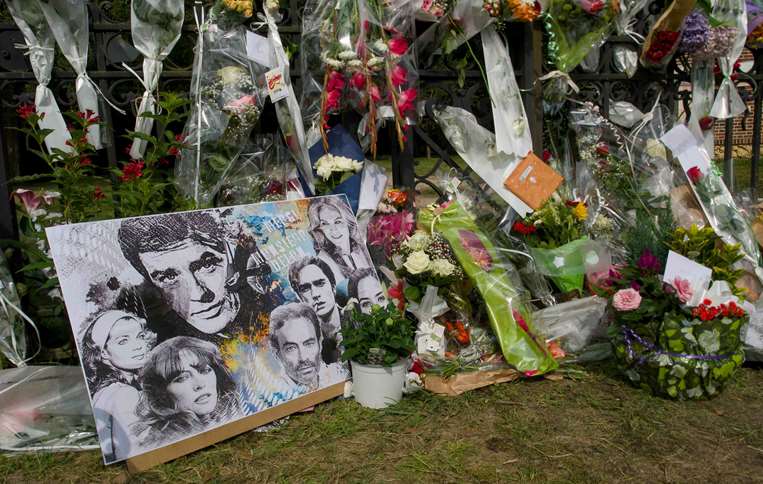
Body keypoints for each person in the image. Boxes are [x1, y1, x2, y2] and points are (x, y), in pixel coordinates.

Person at [118, 211, 278, 343]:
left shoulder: (276, 303)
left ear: (229, 255)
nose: (198, 294)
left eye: (206, 265)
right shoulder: (160, 346)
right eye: (168, 277)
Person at [132, 336, 241, 448]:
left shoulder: (240, 408)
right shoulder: (157, 443)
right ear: (162, 393)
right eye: (182, 378)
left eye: (205, 370)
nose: (200, 384)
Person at [80, 310, 156, 463]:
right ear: (103, 353)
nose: (139, 346)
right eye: (123, 341)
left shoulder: (108, 390)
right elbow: (136, 453)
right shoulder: (124, 394)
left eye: (140, 336)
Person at [268, 303, 347, 390]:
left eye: (309, 344)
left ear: (320, 343)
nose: (303, 358)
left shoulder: (339, 376)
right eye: (291, 348)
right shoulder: (274, 393)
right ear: (277, 355)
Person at [307, 197, 372, 292]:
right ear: (319, 228)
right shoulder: (323, 261)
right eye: (325, 224)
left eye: (338, 222)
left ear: (348, 222)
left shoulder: (362, 246)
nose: (333, 229)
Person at [288, 256, 343, 363]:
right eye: (305, 289)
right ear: (300, 297)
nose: (315, 294)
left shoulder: (356, 318)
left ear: (333, 286)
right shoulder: (305, 345)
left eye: (320, 283)